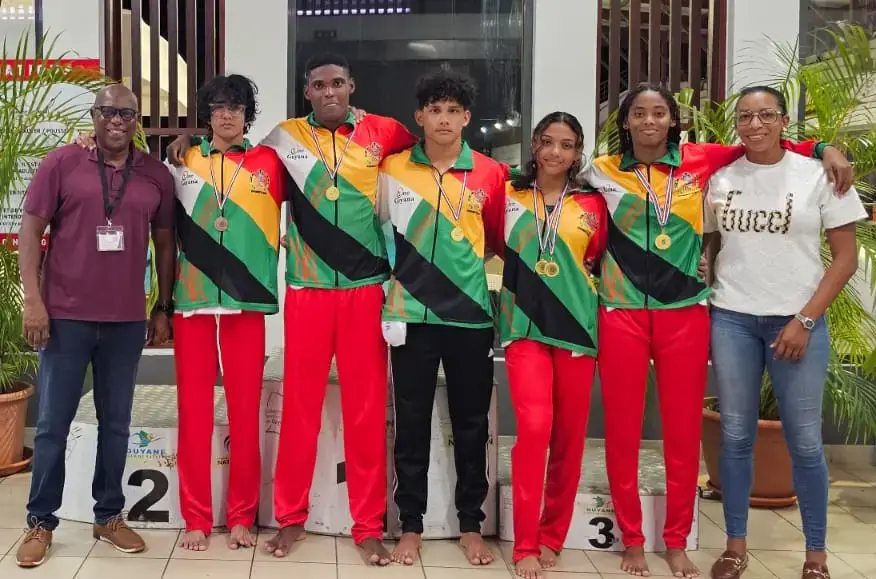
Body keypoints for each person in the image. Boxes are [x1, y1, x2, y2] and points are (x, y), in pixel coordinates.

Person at [583, 82, 853, 578]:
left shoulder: (701, 161)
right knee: (622, 433)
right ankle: (633, 540)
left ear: (672, 120)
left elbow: (769, 143)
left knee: (684, 435)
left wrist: (822, 147)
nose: (648, 121)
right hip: (621, 312)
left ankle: (677, 540)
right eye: (638, 113)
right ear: (623, 122)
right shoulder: (598, 172)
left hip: (686, 314)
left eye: (659, 112)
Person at [703, 86, 867, 579]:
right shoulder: (720, 177)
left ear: (783, 121)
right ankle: (735, 547)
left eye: (766, 115)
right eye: (745, 117)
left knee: (805, 441)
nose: (755, 125)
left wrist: (805, 319)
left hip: (799, 321)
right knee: (734, 436)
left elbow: (845, 258)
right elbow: (714, 245)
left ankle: (815, 554)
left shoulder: (819, 174)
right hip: (731, 317)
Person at [16, 84, 175, 568]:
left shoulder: (155, 175)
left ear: (137, 121)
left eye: (127, 113)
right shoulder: (62, 162)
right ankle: (41, 521)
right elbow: (30, 229)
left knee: (117, 424)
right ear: (94, 115)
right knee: (51, 426)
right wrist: (33, 302)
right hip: (64, 318)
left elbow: (166, 244)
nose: (117, 120)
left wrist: (161, 307)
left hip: (126, 320)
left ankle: (108, 515)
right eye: (108, 111)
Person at [377, 68, 507, 567]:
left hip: (471, 318)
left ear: (467, 117)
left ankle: (470, 525)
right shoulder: (392, 170)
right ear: (420, 116)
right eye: (435, 109)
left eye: (454, 110)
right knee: (410, 423)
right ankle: (410, 524)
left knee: (471, 425)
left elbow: (497, 242)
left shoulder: (491, 174)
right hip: (409, 314)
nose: (444, 118)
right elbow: (376, 232)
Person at [168, 74, 286, 551]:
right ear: (207, 113)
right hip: (192, 299)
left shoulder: (272, 163)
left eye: (235, 106)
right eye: (217, 106)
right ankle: (195, 517)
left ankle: (241, 516)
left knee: (244, 412)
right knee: (193, 412)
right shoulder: (183, 158)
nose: (226, 114)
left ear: (247, 113)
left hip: (247, 301)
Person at [499, 112, 607, 579]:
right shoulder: (508, 194)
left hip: (577, 330)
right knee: (535, 429)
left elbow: (599, 260)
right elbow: (487, 241)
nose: (555, 153)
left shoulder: (593, 203)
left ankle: (552, 535)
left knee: (567, 439)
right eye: (547, 142)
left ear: (578, 151)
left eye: (567, 144)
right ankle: (524, 543)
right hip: (523, 326)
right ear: (534, 145)